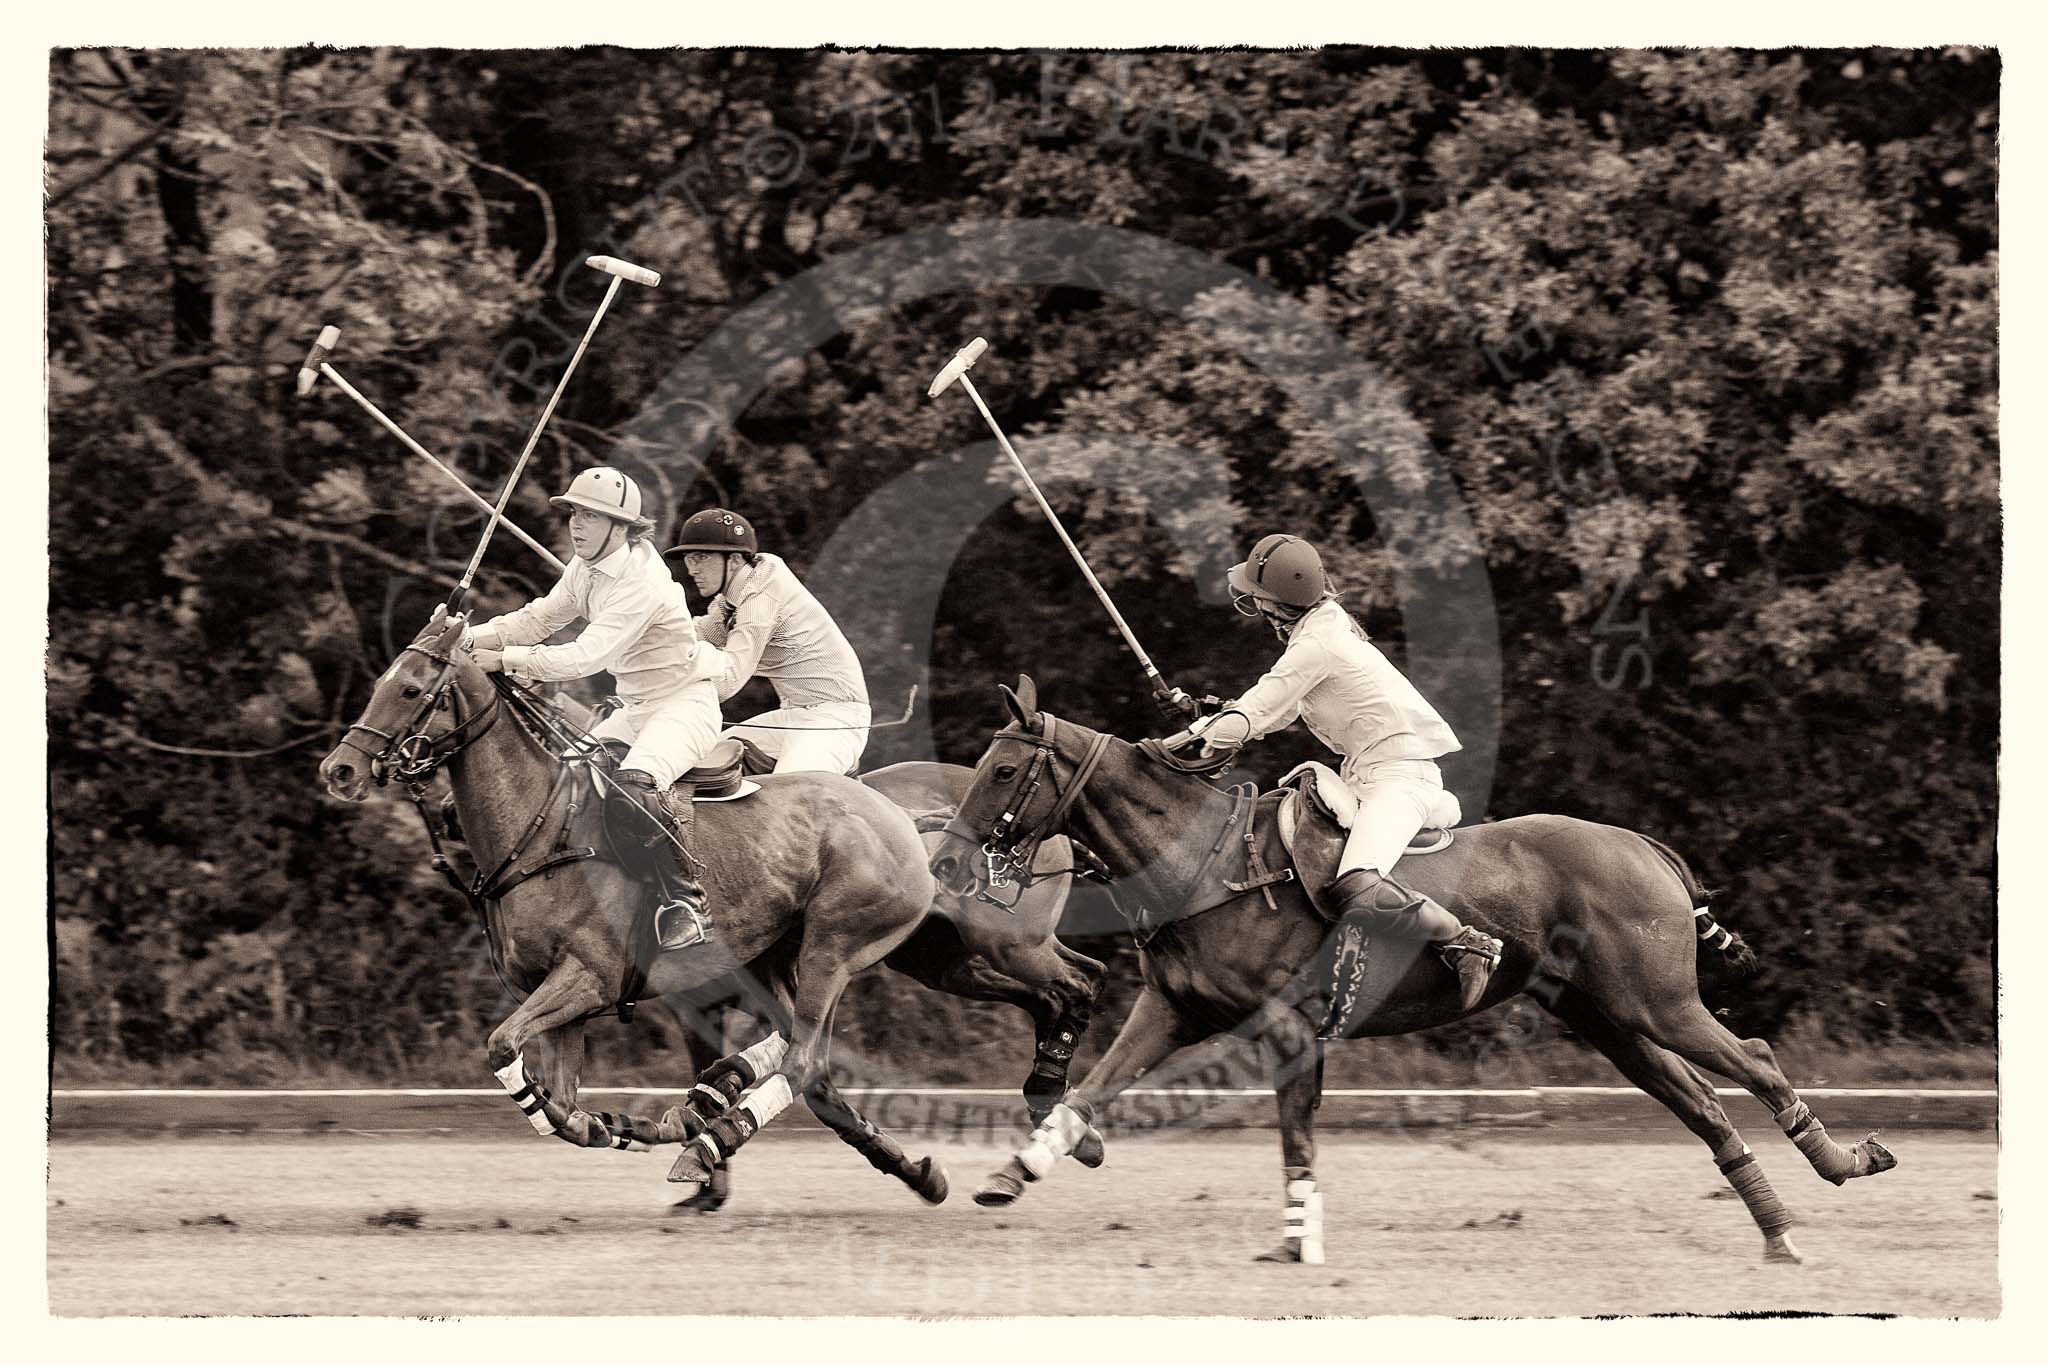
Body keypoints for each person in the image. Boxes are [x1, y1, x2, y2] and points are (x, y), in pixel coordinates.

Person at [1182, 532, 1503, 1009]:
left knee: (1357, 884)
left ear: (1280, 603)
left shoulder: (1318, 644)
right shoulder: (1320, 629)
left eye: (1259, 599)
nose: (1257, 608)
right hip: (1363, 775)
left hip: (1401, 778)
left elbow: (1257, 711)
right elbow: (1276, 711)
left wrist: (1186, 739)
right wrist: (1208, 717)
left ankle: (1465, 943)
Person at [462, 466, 716, 948]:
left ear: (622, 528)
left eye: (592, 516)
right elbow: (537, 620)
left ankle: (687, 902)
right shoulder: (585, 568)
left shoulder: (644, 583)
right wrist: (462, 635)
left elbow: (584, 656)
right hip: (635, 707)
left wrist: (501, 659)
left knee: (633, 785)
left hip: (683, 706)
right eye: (575, 512)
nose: (577, 524)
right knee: (566, 784)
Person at [664, 509, 873, 775]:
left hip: (836, 718)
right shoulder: (734, 596)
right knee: (698, 762)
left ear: (735, 559)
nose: (692, 569)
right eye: (689, 558)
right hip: (792, 716)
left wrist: (661, 691)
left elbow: (728, 680)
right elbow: (697, 638)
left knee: (790, 795)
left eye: (701, 557)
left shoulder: (761, 599)